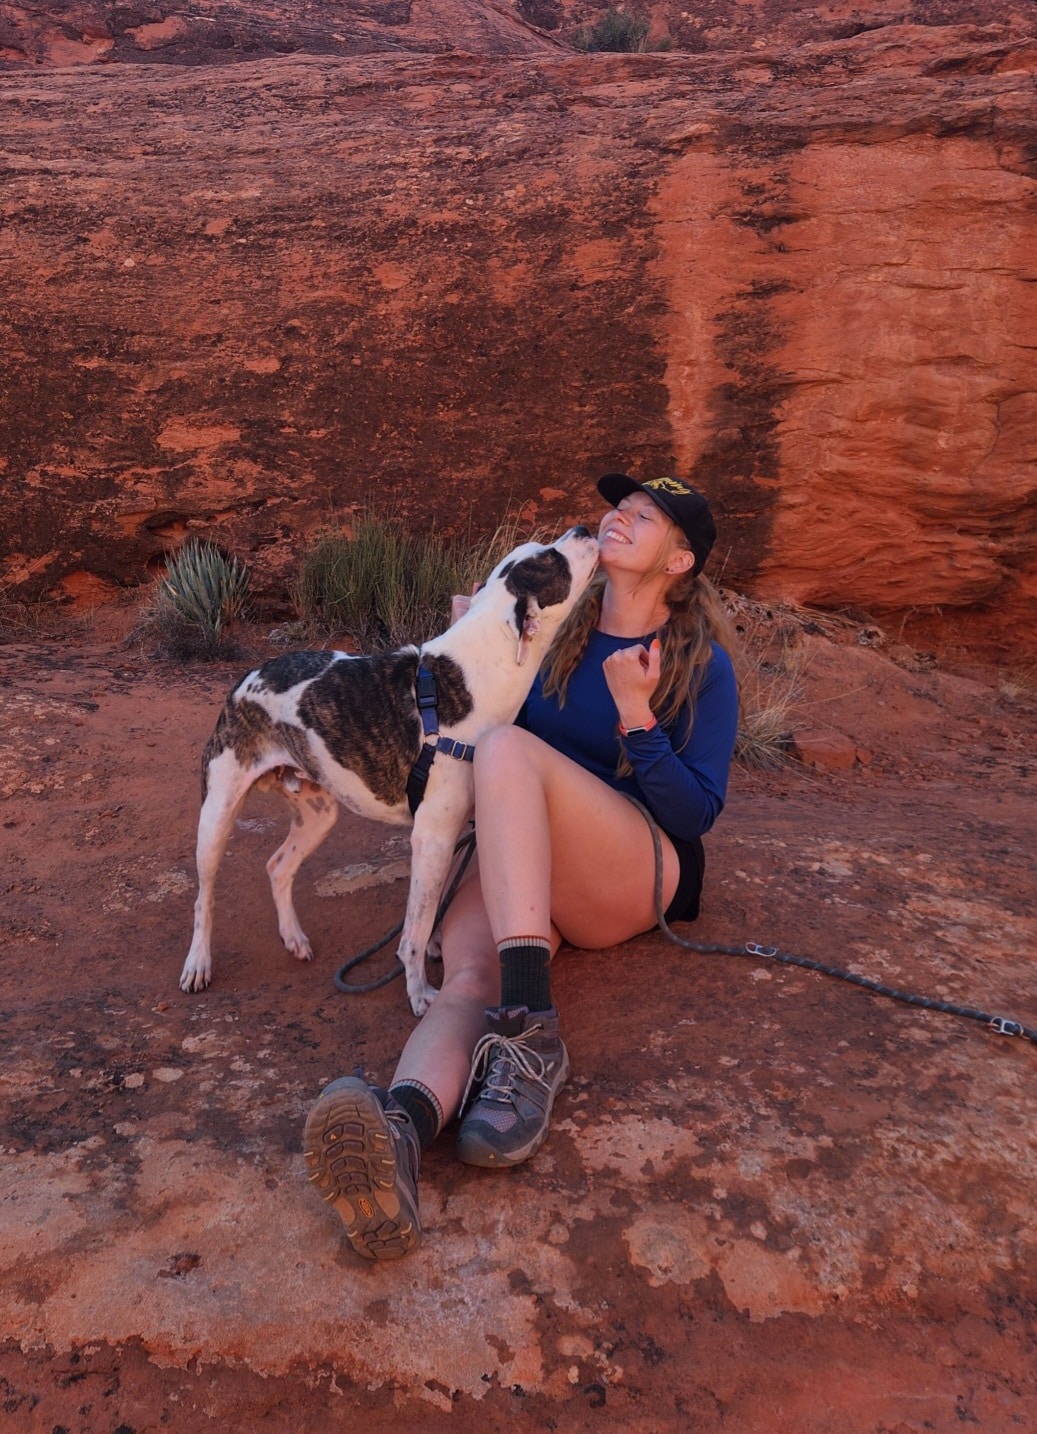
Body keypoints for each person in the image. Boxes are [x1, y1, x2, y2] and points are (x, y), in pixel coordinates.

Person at [303, 473, 740, 1261]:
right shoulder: (554, 633)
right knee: (469, 975)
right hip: (530, 861)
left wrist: (637, 716)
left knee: (505, 752)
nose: (617, 518)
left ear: (679, 561)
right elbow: (474, 725)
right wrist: (469, 643)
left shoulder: (699, 664)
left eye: (643, 517)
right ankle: (402, 1131)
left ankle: (531, 1035)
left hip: (635, 869)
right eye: (619, 507)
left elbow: (694, 814)